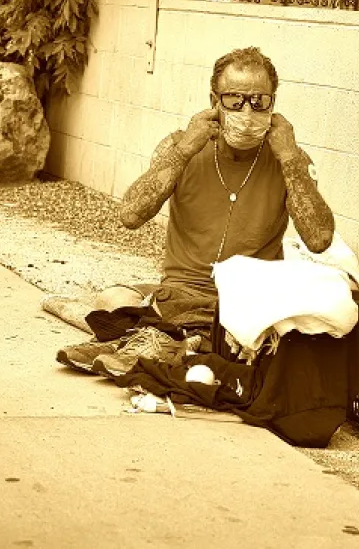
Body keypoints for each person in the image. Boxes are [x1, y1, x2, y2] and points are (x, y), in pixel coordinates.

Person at [54, 46, 335, 374]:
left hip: (246, 302)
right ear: (214, 101)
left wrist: (288, 157)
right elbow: (130, 215)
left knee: (256, 332)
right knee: (112, 299)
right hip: (180, 295)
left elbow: (319, 239)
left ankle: (150, 343)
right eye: (234, 99)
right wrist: (187, 148)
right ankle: (174, 342)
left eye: (260, 101)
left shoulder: (290, 160)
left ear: (273, 104)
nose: (247, 111)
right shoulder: (180, 146)